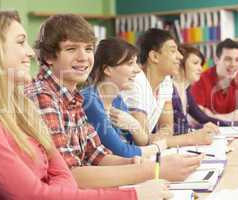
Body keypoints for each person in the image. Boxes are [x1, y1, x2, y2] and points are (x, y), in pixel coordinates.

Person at [0, 10, 172, 200]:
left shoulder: (21, 108)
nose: (31, 53)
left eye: (88, 49)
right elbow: (41, 190)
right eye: (20, 42)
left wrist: (136, 167)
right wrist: (140, 185)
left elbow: (74, 167)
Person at [25, 14, 202, 188]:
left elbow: (96, 154)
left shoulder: (72, 95)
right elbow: (69, 175)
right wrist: (154, 170)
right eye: (71, 49)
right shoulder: (43, 95)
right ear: (48, 56)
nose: (83, 57)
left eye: (88, 49)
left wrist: (135, 162)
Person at [120, 28, 216, 147]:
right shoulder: (136, 81)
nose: (180, 56)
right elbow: (140, 140)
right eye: (173, 51)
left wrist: (160, 139)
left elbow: (167, 126)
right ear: (154, 56)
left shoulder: (166, 82)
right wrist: (191, 138)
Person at [82, 37, 167, 158]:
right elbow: (122, 151)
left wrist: (134, 125)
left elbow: (140, 141)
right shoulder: (90, 101)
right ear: (107, 69)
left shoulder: (117, 100)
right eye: (130, 63)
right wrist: (157, 148)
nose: (138, 70)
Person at [191, 39, 238, 124]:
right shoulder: (201, 79)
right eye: (228, 59)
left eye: (237, 60)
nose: (233, 64)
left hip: (235, 131)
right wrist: (228, 117)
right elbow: (195, 118)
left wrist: (211, 115)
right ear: (216, 59)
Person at [172, 45, 230, 136]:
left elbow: (203, 118)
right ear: (180, 64)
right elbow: (171, 128)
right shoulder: (169, 90)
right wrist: (199, 129)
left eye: (201, 64)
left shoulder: (185, 91)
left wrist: (235, 124)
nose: (200, 69)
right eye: (195, 63)